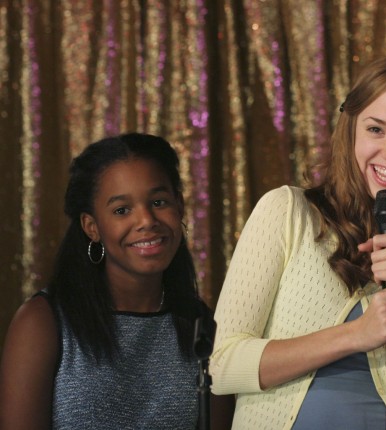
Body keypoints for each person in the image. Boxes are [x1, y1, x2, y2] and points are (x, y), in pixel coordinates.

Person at [209, 53, 386, 430]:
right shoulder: (288, 212)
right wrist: (356, 334)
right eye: (376, 129)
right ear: (352, 129)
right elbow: (220, 366)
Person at [0, 133, 234, 429]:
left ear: (180, 206)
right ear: (92, 227)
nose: (147, 220)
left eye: (159, 202)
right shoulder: (43, 322)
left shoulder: (202, 326)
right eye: (122, 210)